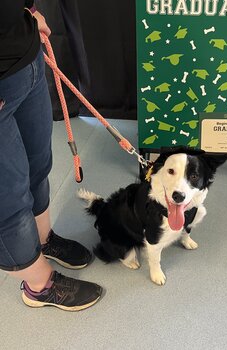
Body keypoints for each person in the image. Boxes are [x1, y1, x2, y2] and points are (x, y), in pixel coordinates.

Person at [0, 0, 103, 311]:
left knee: (38, 163)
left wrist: (27, 9)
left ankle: (43, 240)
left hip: (24, 56)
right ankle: (38, 285)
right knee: (8, 194)